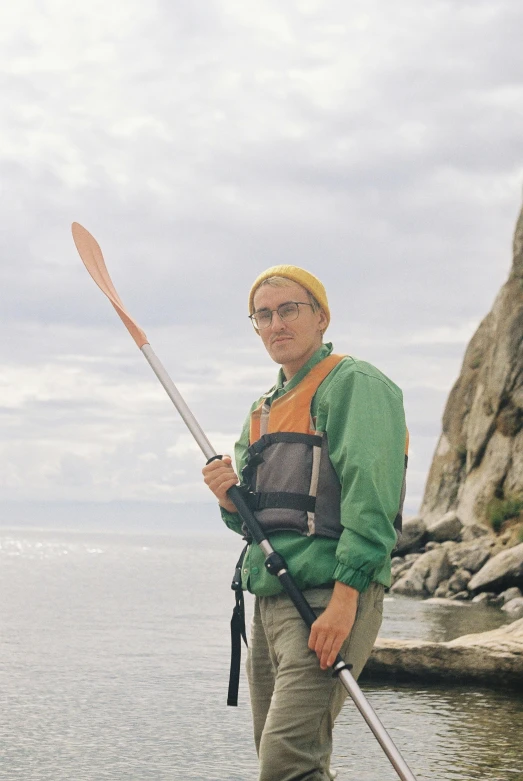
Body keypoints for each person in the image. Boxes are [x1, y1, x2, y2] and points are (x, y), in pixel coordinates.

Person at [202, 265, 407, 781]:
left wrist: (345, 601)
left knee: (287, 762)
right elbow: (257, 524)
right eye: (263, 315)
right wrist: (230, 500)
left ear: (321, 316)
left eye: (289, 309)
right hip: (271, 600)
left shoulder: (355, 385)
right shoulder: (262, 411)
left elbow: (372, 500)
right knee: (280, 758)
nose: (277, 323)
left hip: (328, 595)